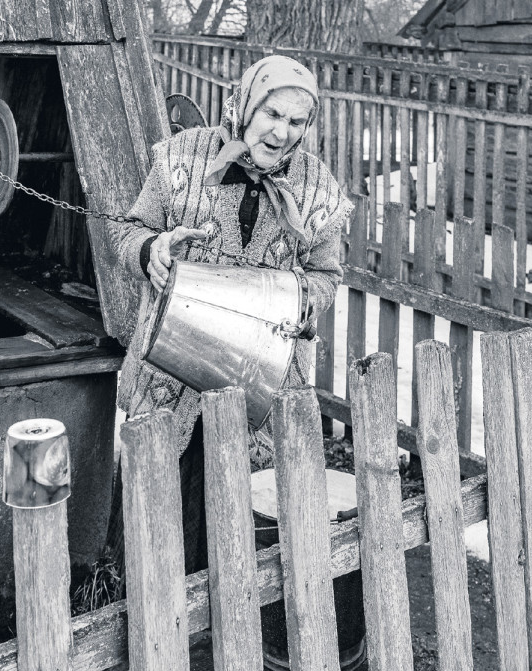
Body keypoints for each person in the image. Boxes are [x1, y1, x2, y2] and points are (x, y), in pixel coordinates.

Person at [108, 55, 352, 575]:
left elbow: (328, 275)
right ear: (244, 106)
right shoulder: (182, 158)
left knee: (242, 530)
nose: (281, 132)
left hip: (259, 390)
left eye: (296, 121)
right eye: (271, 114)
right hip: (168, 381)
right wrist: (152, 248)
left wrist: (301, 300)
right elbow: (126, 231)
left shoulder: (318, 190)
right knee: (154, 522)